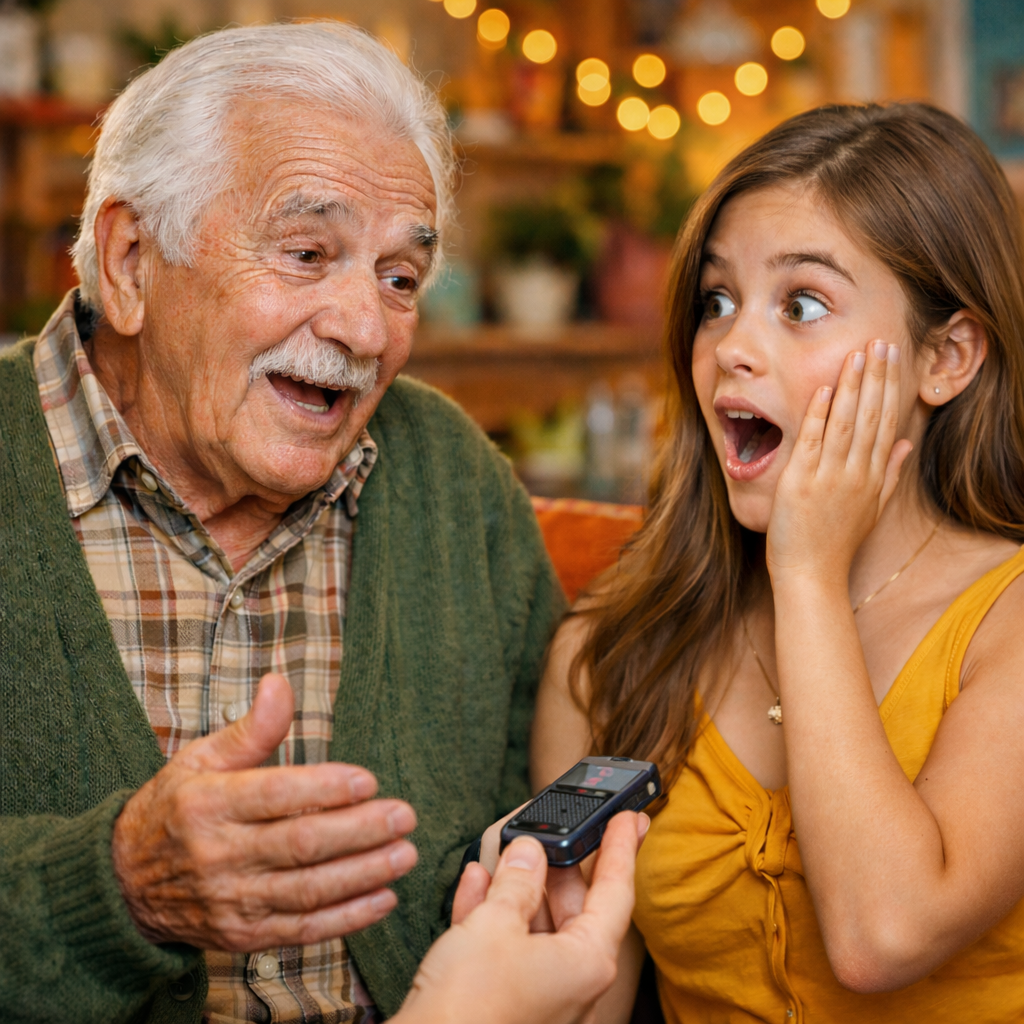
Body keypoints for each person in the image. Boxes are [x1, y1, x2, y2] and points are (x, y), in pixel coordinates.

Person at [0, 22, 565, 1024]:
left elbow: (544, 851)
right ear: (130, 261)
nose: (363, 327)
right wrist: (118, 886)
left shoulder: (454, 482)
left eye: (399, 277)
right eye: (306, 253)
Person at [528, 102, 1024, 1022]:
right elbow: (588, 1000)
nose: (732, 351)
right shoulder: (610, 649)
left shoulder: (1011, 625)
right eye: (717, 302)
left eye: (802, 305)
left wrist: (806, 573)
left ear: (946, 357)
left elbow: (884, 934)